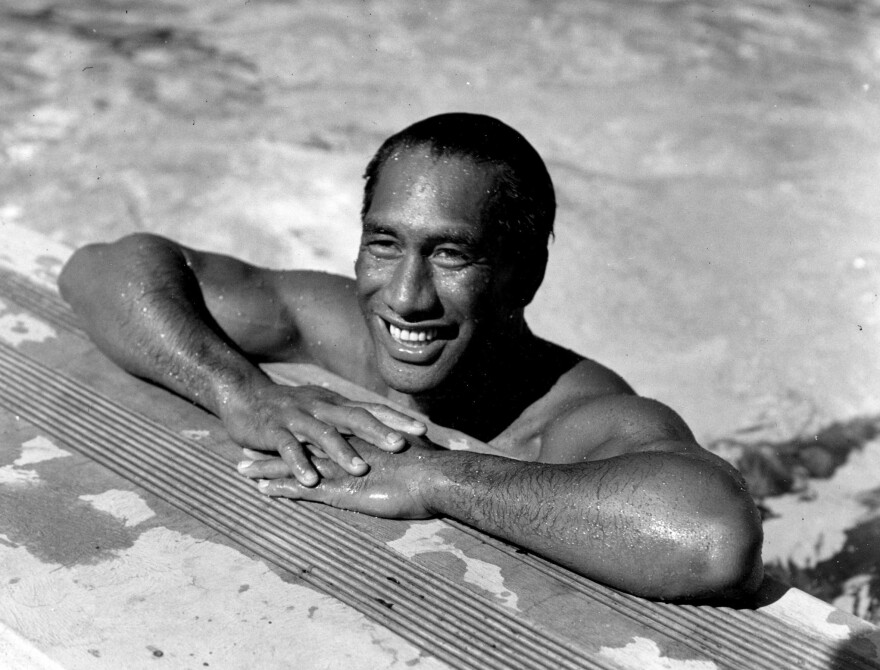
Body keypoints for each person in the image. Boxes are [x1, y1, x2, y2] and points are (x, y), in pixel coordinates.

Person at [59, 113, 762, 601]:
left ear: (525, 275)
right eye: (385, 243)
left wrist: (438, 478)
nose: (403, 297)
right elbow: (105, 268)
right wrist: (241, 390)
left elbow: (711, 538)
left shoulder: (575, 414)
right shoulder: (338, 326)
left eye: (449, 254)